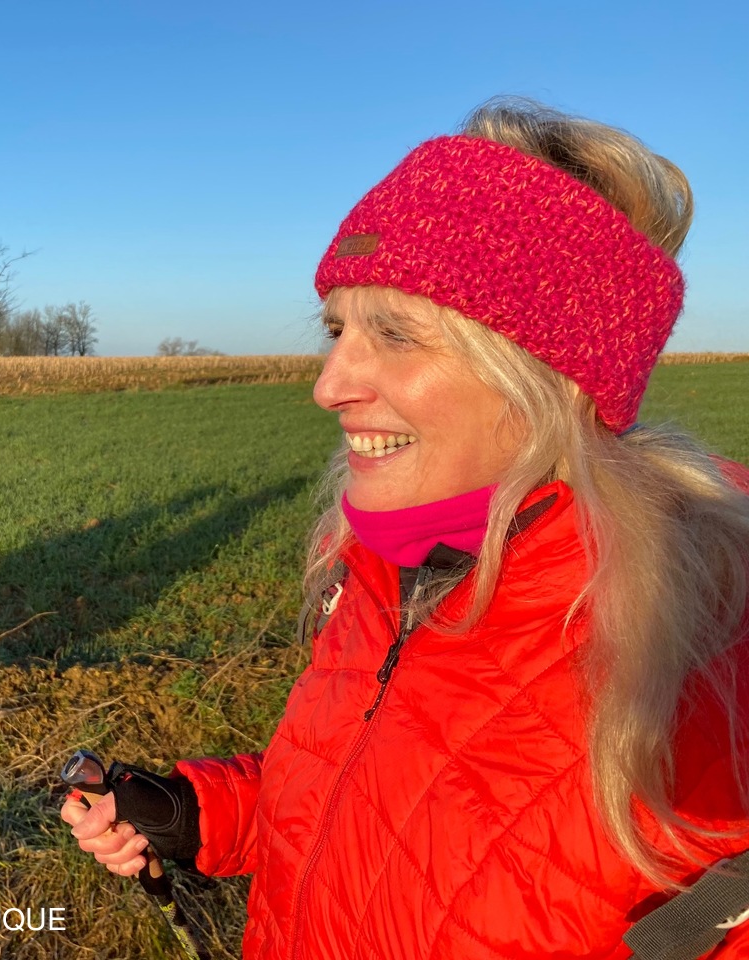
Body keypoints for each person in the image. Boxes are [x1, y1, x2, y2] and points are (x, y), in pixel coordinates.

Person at [60, 97, 749, 959]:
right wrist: (197, 813)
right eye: (337, 329)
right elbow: (370, 814)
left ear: (550, 373)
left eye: (396, 334)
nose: (329, 384)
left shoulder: (695, 673)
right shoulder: (386, 573)